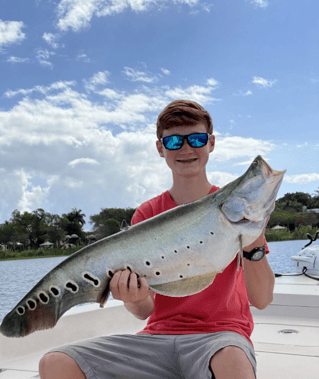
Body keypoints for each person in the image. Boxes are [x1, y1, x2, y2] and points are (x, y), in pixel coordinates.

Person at [39, 100, 275, 379]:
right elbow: (144, 311)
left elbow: (261, 299)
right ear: (160, 148)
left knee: (234, 361)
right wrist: (133, 298)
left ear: (211, 143)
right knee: (54, 363)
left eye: (196, 139)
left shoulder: (235, 206)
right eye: (174, 141)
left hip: (221, 339)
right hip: (156, 339)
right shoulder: (148, 213)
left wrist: (253, 242)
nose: (186, 149)